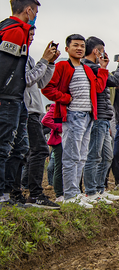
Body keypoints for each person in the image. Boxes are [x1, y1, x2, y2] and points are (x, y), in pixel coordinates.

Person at [42, 34, 109, 208]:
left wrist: (102, 68)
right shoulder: (62, 66)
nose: (79, 48)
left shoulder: (87, 69)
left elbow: (99, 87)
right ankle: (70, 195)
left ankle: (77, 194)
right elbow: (47, 88)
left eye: (81, 46)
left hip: (88, 116)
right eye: (75, 46)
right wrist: (65, 98)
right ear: (67, 49)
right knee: (71, 156)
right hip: (72, 114)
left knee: (81, 156)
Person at [0, 0, 40, 208]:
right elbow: (5, 66)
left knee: (16, 147)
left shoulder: (7, 27)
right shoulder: (15, 31)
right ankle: (2, 194)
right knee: (4, 146)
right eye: (35, 12)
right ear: (28, 10)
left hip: (14, 97)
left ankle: (8, 192)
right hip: (7, 97)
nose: (35, 16)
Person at [81, 37, 119, 204]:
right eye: (101, 50)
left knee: (107, 156)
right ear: (96, 51)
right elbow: (115, 81)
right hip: (97, 116)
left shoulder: (96, 67)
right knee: (94, 155)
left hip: (105, 117)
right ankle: (91, 192)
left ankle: (100, 189)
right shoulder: (90, 67)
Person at [23, 28, 59, 209]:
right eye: (29, 35)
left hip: (34, 109)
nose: (31, 39)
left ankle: (21, 192)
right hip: (25, 109)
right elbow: (28, 80)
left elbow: (40, 83)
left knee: (30, 151)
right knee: (38, 150)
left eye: (32, 37)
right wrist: (44, 60)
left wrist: (50, 63)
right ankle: (33, 194)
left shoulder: (28, 58)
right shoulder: (16, 57)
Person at [42, 103, 63, 201]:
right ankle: (59, 194)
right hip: (58, 140)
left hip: (71, 140)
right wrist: (61, 128)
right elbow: (45, 120)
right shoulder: (56, 106)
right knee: (58, 167)